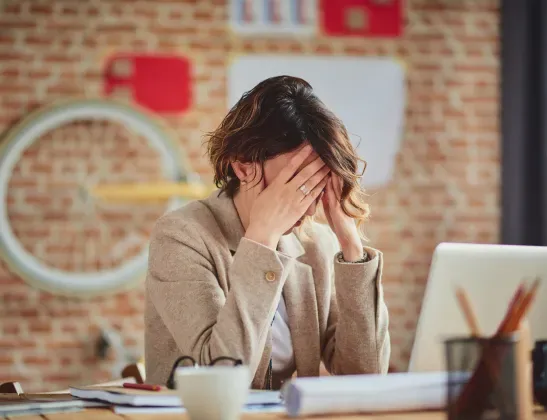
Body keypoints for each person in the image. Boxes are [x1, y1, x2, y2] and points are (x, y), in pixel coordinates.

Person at [144, 75, 390, 390]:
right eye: (299, 179)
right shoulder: (181, 235)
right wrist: (261, 240)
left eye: (320, 179)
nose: (309, 200)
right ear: (244, 167)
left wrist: (351, 245)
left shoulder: (317, 245)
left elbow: (365, 379)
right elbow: (223, 378)